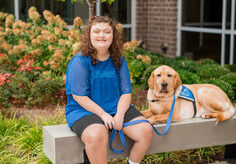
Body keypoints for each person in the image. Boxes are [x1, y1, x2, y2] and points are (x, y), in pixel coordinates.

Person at [65, 16, 153, 164]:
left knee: (145, 131)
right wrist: (102, 114)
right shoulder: (79, 62)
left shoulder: (119, 59)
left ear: (113, 35)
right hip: (84, 110)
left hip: (115, 107)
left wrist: (119, 115)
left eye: (107, 32)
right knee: (96, 135)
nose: (101, 35)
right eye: (96, 31)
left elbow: (126, 92)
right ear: (89, 35)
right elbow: (79, 96)